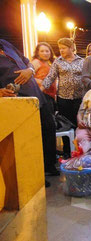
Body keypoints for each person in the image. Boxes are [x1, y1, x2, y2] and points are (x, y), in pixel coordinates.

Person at [0, 39, 58, 186]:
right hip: (17, 100)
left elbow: (27, 61)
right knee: (30, 137)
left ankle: (49, 165)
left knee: (49, 127)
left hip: (35, 94)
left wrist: (30, 70)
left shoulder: (6, 44)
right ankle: (35, 176)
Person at [41, 38, 84, 157]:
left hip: (79, 99)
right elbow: (50, 77)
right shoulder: (57, 62)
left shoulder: (81, 61)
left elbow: (86, 78)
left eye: (63, 48)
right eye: (60, 48)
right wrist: (40, 91)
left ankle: (80, 149)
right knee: (66, 125)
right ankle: (67, 151)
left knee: (79, 124)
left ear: (71, 48)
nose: (61, 50)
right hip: (63, 99)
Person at [31, 42, 56, 114]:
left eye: (47, 51)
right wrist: (39, 81)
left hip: (50, 95)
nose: (45, 53)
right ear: (37, 53)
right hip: (41, 94)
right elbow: (28, 77)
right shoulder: (36, 62)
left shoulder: (50, 64)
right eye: (42, 51)